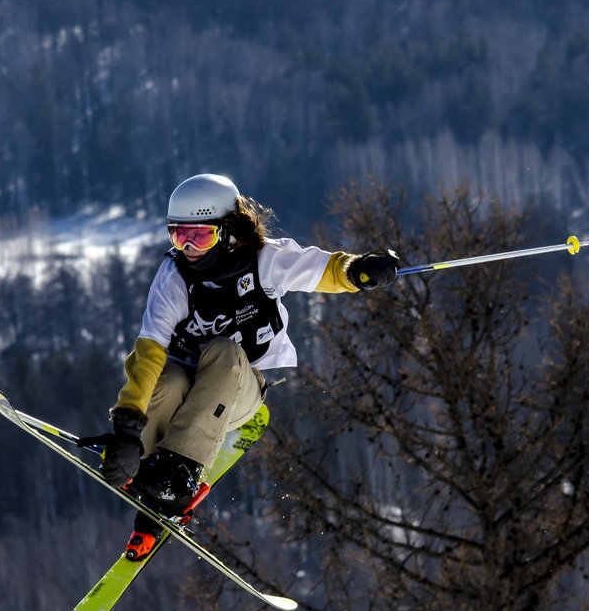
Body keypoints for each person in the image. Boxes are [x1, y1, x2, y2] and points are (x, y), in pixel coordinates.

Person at [83, 174, 398, 560]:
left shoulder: (264, 259)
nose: (188, 248)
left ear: (228, 231)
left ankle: (179, 474)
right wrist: (128, 430)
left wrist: (358, 270)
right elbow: (148, 353)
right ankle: (143, 468)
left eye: (199, 237)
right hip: (186, 386)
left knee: (224, 352)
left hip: (238, 388)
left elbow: (323, 270)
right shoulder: (174, 277)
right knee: (164, 379)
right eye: (177, 236)